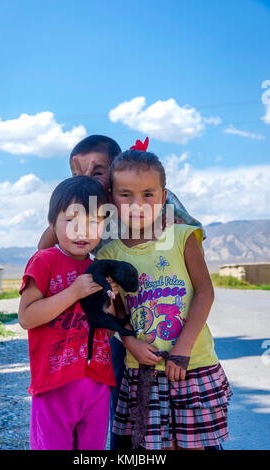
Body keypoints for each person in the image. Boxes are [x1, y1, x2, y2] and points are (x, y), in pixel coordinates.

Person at [37, 134, 207, 450]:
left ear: (115, 174)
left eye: (97, 171)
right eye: (77, 173)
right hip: (111, 317)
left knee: (126, 391)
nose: (87, 179)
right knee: (114, 395)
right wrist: (73, 197)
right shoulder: (82, 209)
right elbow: (44, 251)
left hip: (149, 308)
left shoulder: (145, 202)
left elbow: (188, 249)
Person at [96, 139, 233, 450]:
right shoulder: (110, 253)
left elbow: (204, 292)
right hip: (142, 372)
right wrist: (130, 341)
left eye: (148, 194)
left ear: (164, 196)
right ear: (111, 198)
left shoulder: (182, 237)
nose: (138, 204)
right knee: (154, 447)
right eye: (126, 195)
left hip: (193, 364)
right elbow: (117, 312)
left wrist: (183, 348)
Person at [18, 176, 116, 450]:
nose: (82, 231)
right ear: (52, 223)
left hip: (96, 383)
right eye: (71, 220)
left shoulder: (99, 268)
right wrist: (73, 293)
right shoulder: (44, 261)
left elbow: (105, 331)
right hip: (53, 384)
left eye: (94, 222)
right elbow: (27, 317)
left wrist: (110, 304)